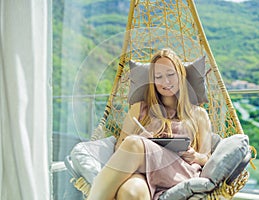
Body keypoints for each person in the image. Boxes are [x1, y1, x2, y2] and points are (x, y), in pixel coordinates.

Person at [87, 48, 213, 200]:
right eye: (158, 76)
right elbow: (120, 148)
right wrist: (143, 142)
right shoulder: (139, 109)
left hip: (178, 170)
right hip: (143, 172)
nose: (165, 82)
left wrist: (195, 156)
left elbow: (207, 157)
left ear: (181, 74)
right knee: (131, 193)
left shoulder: (198, 114)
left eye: (171, 75)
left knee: (133, 143)